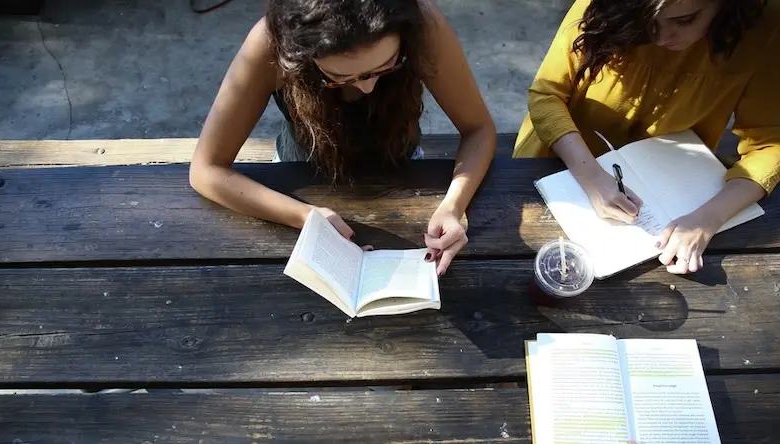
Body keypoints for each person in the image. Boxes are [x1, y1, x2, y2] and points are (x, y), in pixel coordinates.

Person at [190, 0, 496, 276]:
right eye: (339, 78)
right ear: (298, 55)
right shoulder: (271, 43)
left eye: (386, 66)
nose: (367, 88)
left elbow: (478, 129)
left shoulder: (422, 24)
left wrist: (453, 206)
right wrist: (305, 216)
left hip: (403, 165)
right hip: (298, 175)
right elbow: (206, 170)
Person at [515, 0, 779, 274]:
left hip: (677, 190)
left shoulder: (766, 25)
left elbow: (770, 144)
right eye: (648, 21)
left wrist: (708, 218)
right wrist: (592, 177)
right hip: (559, 161)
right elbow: (547, 95)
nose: (662, 38)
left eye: (685, 20)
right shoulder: (603, 6)